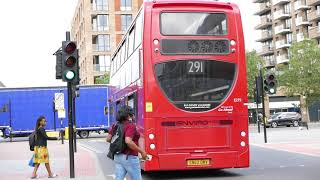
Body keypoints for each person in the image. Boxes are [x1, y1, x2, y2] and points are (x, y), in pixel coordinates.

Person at [107, 106, 148, 180]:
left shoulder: (115, 125)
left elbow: (108, 139)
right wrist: (142, 152)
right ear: (129, 116)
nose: (134, 116)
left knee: (119, 178)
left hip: (117, 156)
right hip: (129, 157)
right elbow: (128, 141)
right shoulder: (130, 125)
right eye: (133, 114)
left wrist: (119, 143)